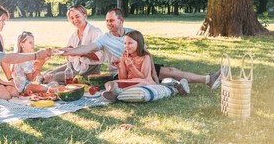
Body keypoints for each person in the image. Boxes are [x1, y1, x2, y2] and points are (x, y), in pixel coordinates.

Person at [61, 8, 222, 89]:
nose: (108, 24)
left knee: (170, 70)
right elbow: (86, 48)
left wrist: (151, 71)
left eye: (111, 21)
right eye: (107, 21)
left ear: (121, 20)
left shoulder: (133, 34)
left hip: (141, 65)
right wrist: (67, 51)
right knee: (150, 81)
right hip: (120, 72)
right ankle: (171, 86)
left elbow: (146, 54)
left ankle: (208, 79)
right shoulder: (105, 38)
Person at [101, 30, 189, 101]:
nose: (126, 46)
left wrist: (131, 66)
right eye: (125, 43)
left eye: (130, 43)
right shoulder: (124, 56)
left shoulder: (145, 57)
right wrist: (120, 66)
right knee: (109, 83)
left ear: (138, 43)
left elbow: (143, 77)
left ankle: (119, 92)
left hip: (145, 82)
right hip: (131, 83)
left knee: (142, 82)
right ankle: (111, 91)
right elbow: (123, 78)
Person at [41, 5, 104, 84]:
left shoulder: (95, 32)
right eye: (72, 18)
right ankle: (39, 85)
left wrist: (77, 52)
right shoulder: (74, 35)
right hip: (73, 66)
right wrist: (62, 51)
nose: (75, 20)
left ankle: (44, 88)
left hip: (88, 71)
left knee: (52, 78)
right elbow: (70, 54)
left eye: (77, 16)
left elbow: (99, 57)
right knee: (47, 74)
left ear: (85, 16)